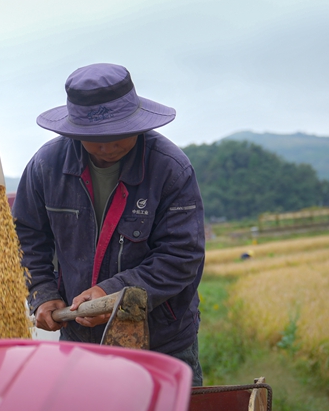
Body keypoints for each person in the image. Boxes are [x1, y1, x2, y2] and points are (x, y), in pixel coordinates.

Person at [12, 63, 205, 385]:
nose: (108, 146)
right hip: (80, 342)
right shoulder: (46, 167)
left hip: (161, 341)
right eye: (95, 139)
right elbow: (25, 237)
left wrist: (112, 293)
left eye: (118, 135)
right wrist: (42, 292)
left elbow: (181, 256)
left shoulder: (170, 169)